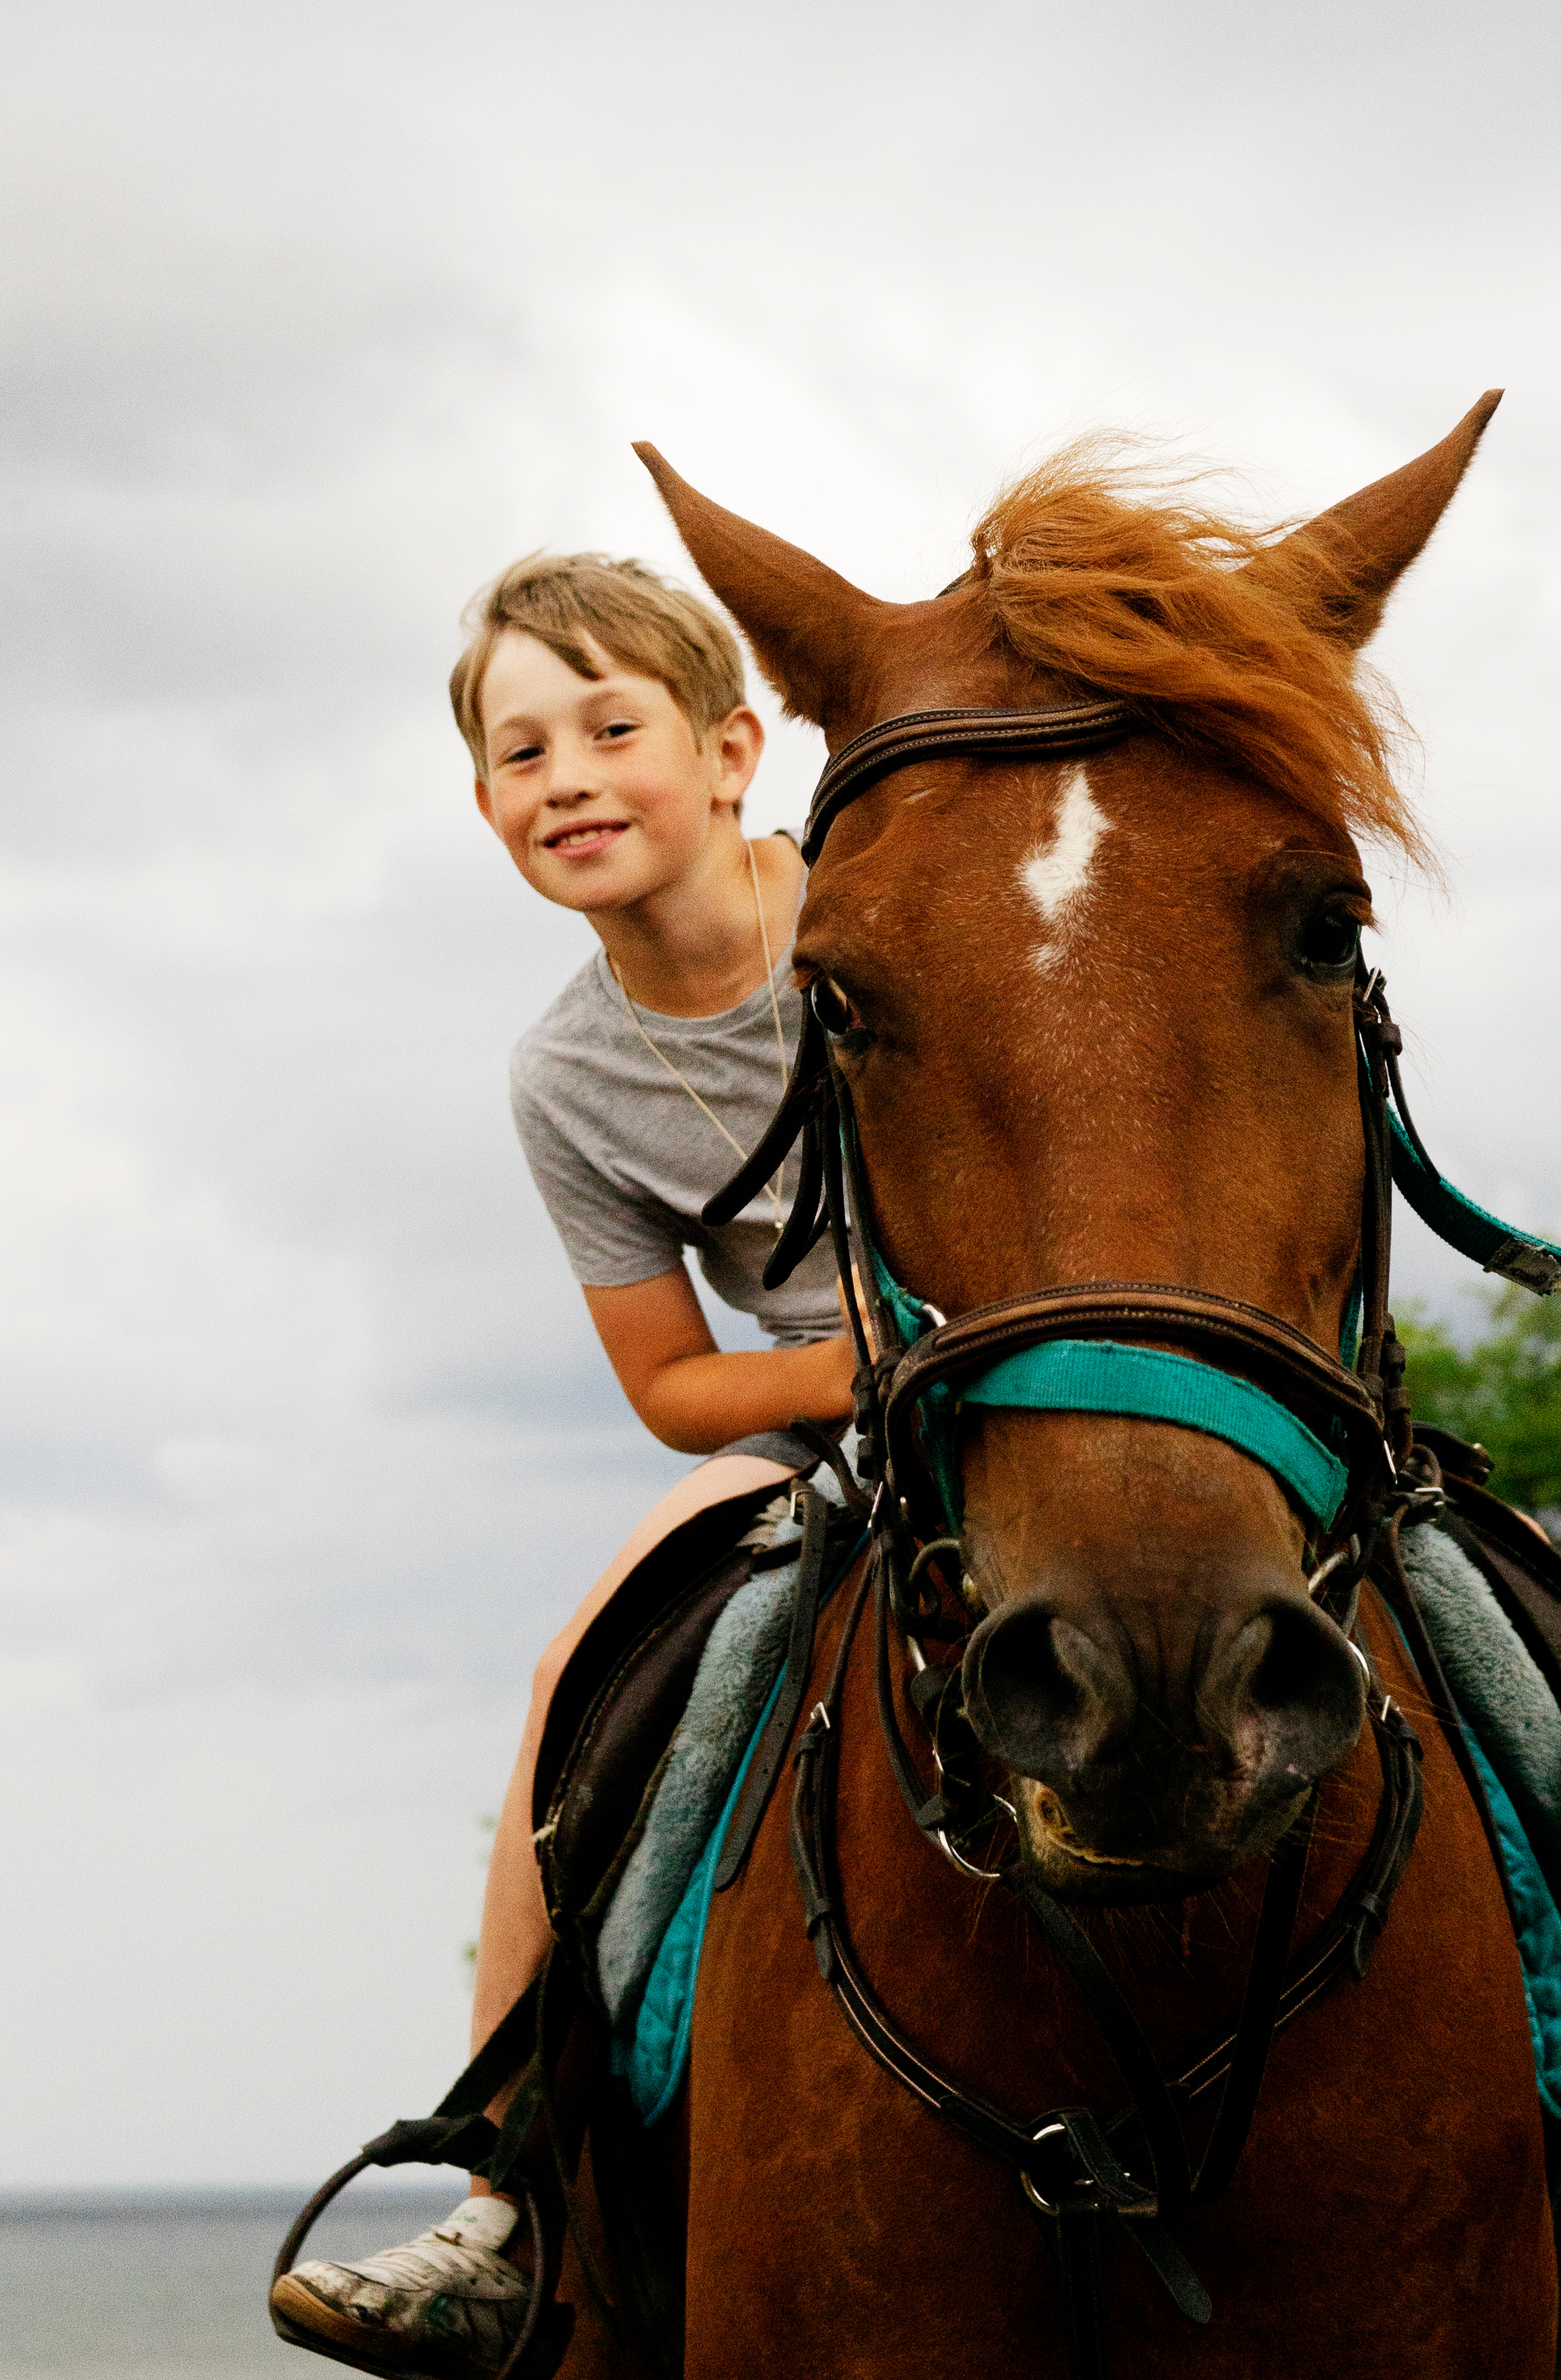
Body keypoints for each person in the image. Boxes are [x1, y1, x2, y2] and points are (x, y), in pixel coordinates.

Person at [271, 553, 852, 2374]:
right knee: (567, 1675)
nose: (570, 779)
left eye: (613, 729)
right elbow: (673, 1380)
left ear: (732, 751)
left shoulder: (878, 915)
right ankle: (504, 2194)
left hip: (1068, 1348)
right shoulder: (567, 1077)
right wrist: (869, 1372)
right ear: (486, 807)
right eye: (524, 753)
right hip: (824, 1416)